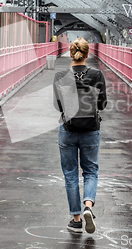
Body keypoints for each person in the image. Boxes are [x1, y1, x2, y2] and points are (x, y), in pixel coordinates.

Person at [53, 38, 107, 234]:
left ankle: (76, 220)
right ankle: (88, 207)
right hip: (91, 130)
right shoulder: (97, 75)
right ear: (87, 54)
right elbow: (102, 105)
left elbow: (58, 106)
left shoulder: (60, 75)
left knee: (70, 175)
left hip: (67, 130)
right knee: (90, 171)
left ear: (70, 53)